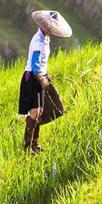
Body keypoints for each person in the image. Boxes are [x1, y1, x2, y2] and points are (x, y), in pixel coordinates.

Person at [19, 10, 72, 152]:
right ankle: (27, 146)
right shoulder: (38, 41)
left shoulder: (45, 39)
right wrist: (42, 78)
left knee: (40, 110)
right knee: (35, 111)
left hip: (38, 77)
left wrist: (45, 74)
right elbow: (35, 64)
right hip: (32, 78)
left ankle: (34, 144)